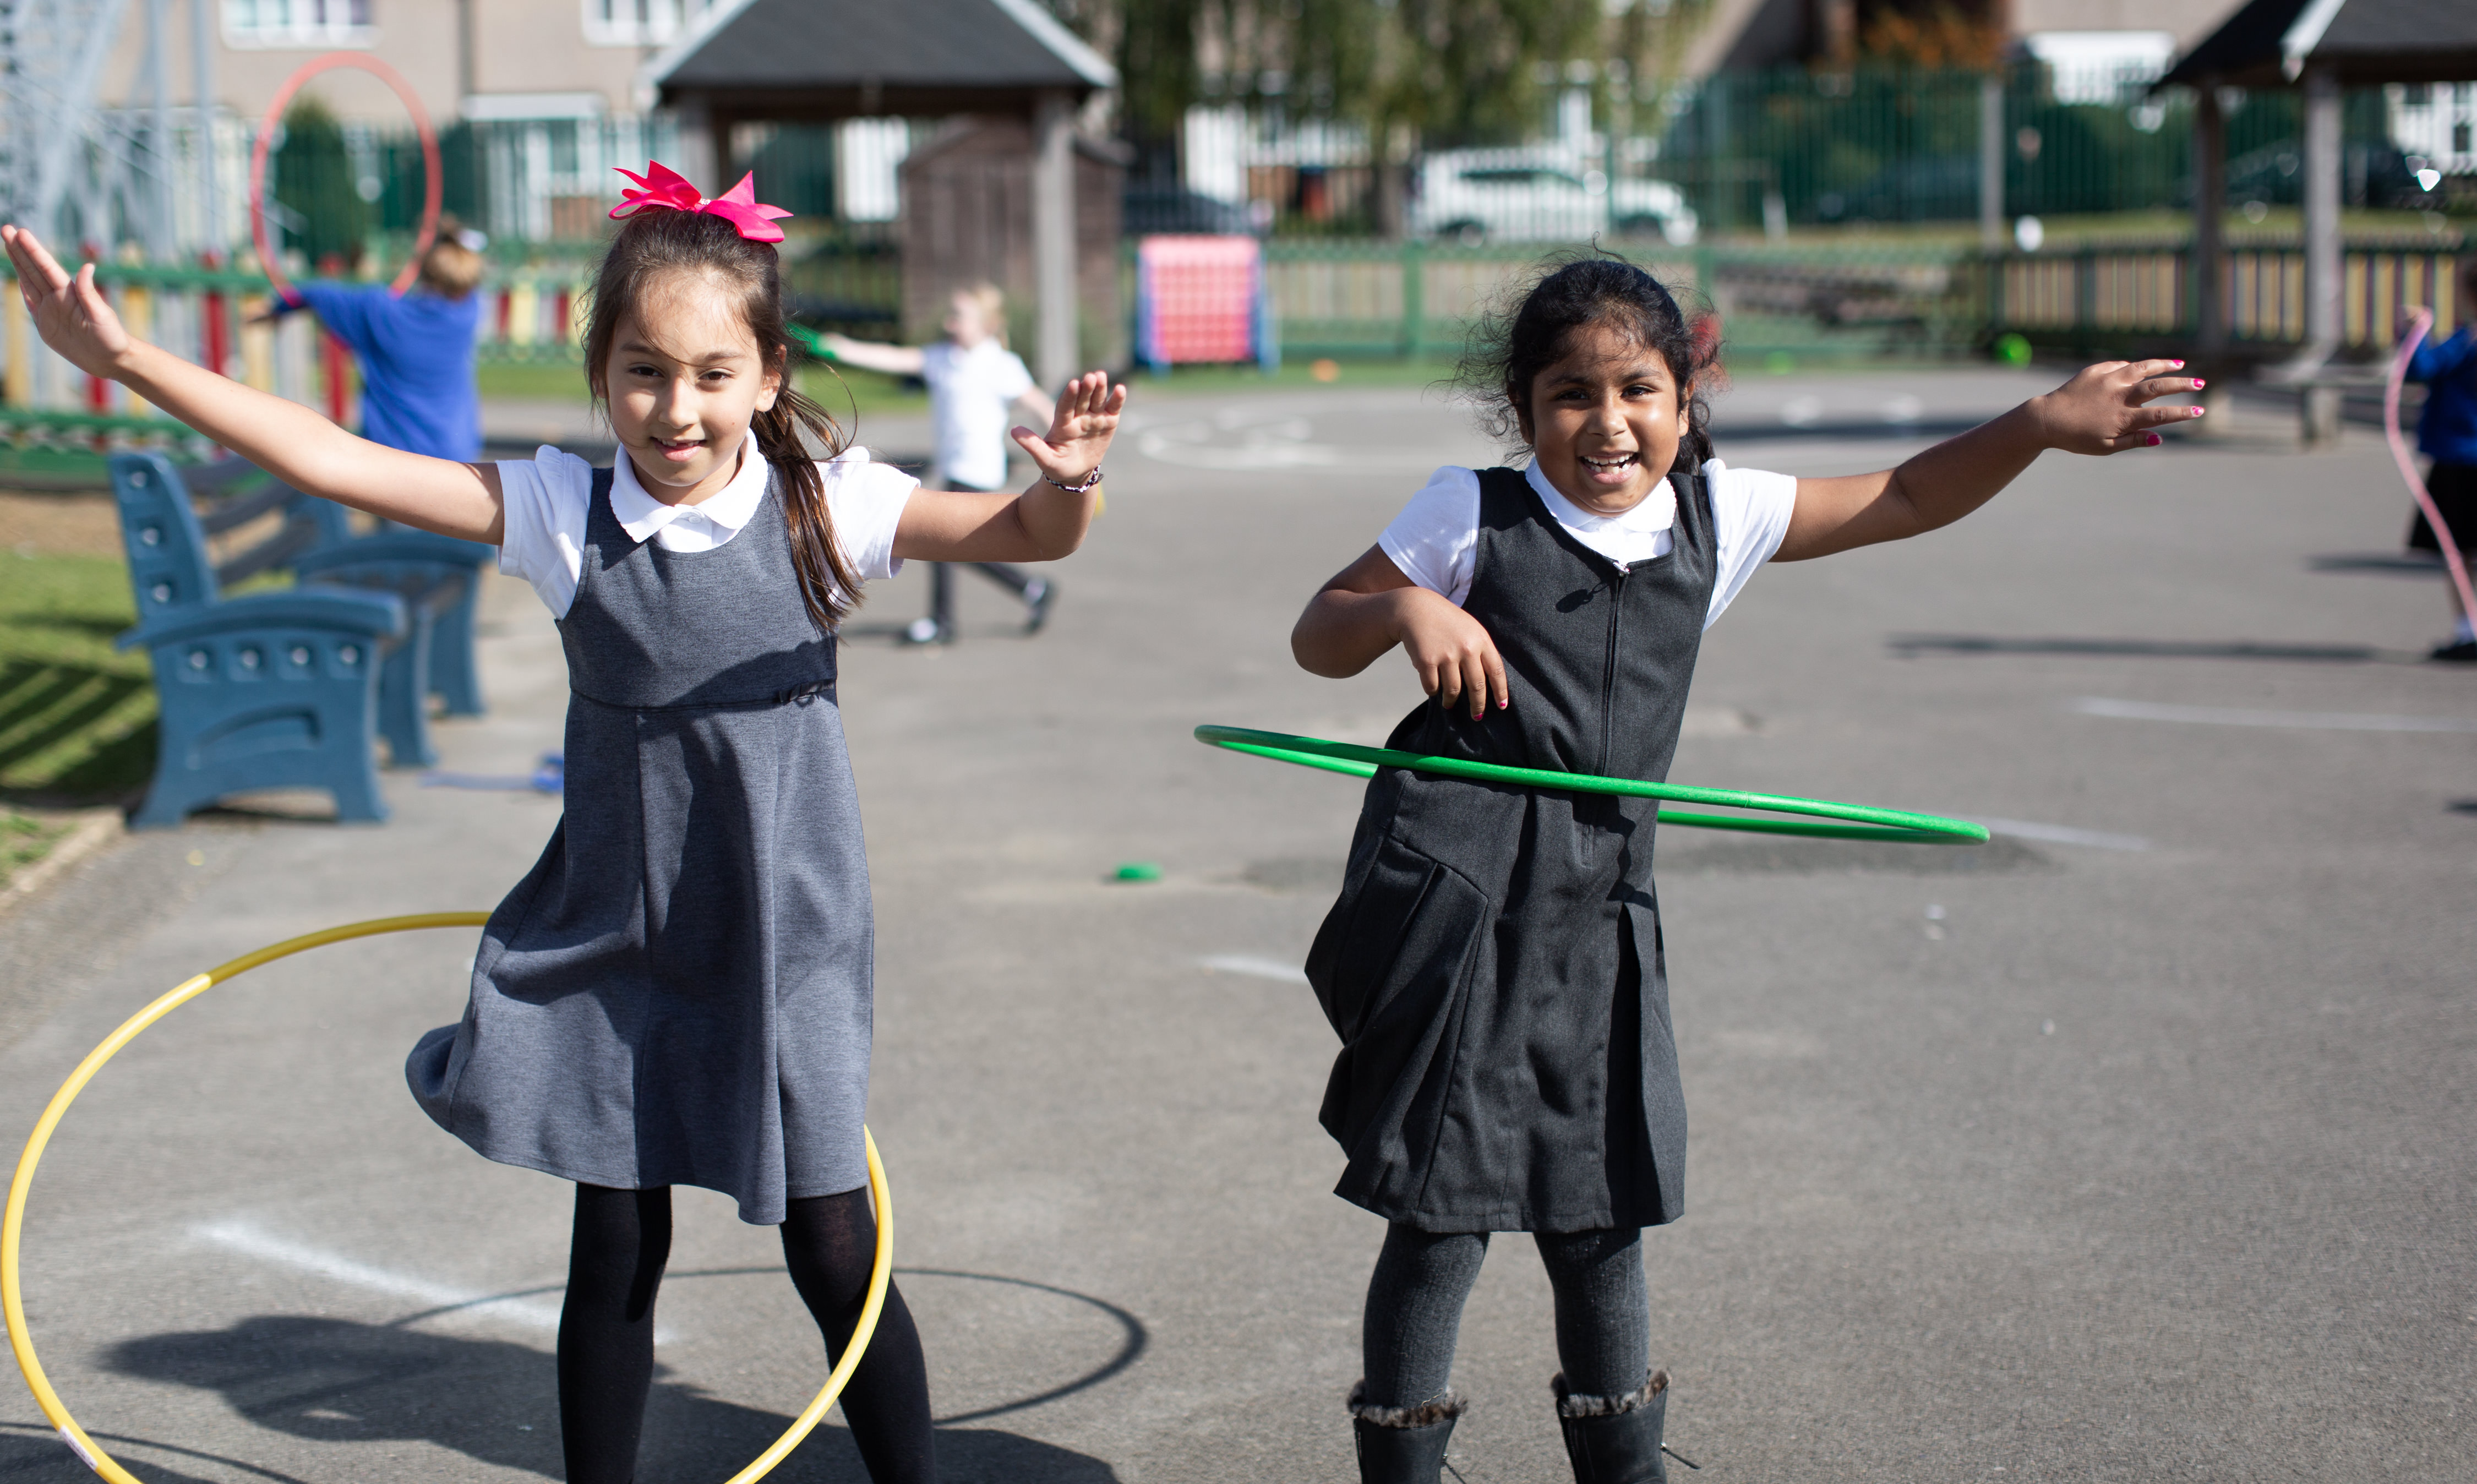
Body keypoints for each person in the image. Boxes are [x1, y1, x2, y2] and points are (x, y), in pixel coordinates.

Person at [3, 159, 1123, 1484]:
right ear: (602, 374)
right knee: (616, 1242)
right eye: (644, 370)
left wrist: (1066, 484)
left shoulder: (830, 502)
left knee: (833, 1238)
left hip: (788, 923)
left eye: (713, 373)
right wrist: (125, 359)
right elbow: (330, 455)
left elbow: (1024, 535)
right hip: (621, 923)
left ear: (767, 376)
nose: (676, 406)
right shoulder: (561, 512)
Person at [1286, 255, 2200, 1484]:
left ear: (1684, 394)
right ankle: (1400, 1466)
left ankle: (1626, 1465)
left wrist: (2037, 425)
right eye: (1570, 395)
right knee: (1444, 1215)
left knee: (1602, 1212)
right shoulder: (1472, 513)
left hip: (1597, 918)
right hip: (1460, 903)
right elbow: (1320, 636)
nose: (1607, 423)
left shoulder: (1718, 518)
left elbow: (1908, 495)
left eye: (1638, 390)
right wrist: (1408, 612)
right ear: (1525, 406)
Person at [819, 285, 1060, 643]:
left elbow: (1039, 403)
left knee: (944, 541)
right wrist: (845, 348)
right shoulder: (942, 358)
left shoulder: (1000, 365)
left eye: (959, 317)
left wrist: (1063, 447)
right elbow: (894, 358)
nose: (949, 323)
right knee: (955, 544)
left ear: (987, 325)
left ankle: (944, 620)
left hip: (978, 470)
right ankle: (1028, 590)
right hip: (953, 466)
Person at [262, 226, 489, 461]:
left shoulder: (379, 312)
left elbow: (317, 294)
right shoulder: (467, 314)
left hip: (391, 454)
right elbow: (462, 281)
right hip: (456, 452)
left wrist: (277, 311)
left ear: (422, 273)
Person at [2402, 266, 2477, 662]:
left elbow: (2420, 370)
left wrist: (2416, 334)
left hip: (2461, 457)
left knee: (2458, 549)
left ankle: (2469, 631)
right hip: (2461, 454)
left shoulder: (2467, 341)